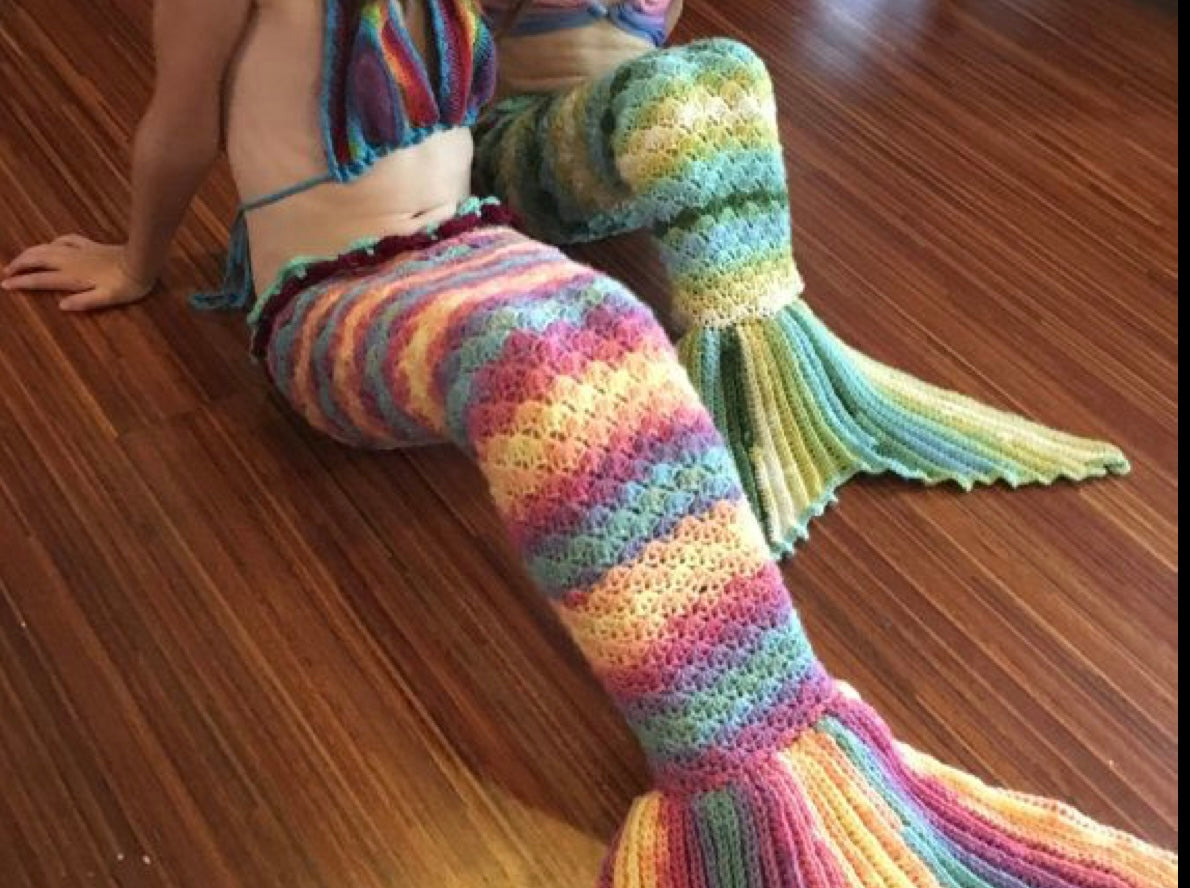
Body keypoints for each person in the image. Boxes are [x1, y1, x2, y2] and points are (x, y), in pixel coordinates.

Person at [0, 5, 1177, 888]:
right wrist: (136, 259)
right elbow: (181, 119)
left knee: (612, 322)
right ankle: (738, 794)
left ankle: (784, 758)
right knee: (530, 355)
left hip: (465, 238)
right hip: (327, 302)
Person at [473, 0, 1128, 555]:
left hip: (619, 163)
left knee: (730, 63)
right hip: (519, 161)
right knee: (660, 86)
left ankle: (763, 344)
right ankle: (740, 384)